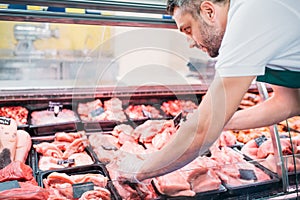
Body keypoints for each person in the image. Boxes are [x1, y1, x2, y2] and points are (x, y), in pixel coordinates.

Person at [119, 0, 300, 182]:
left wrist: (138, 171)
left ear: (209, 11)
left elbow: (202, 130)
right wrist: (222, 123)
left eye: (188, 29)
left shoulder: (249, 17)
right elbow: (289, 103)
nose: (190, 43)